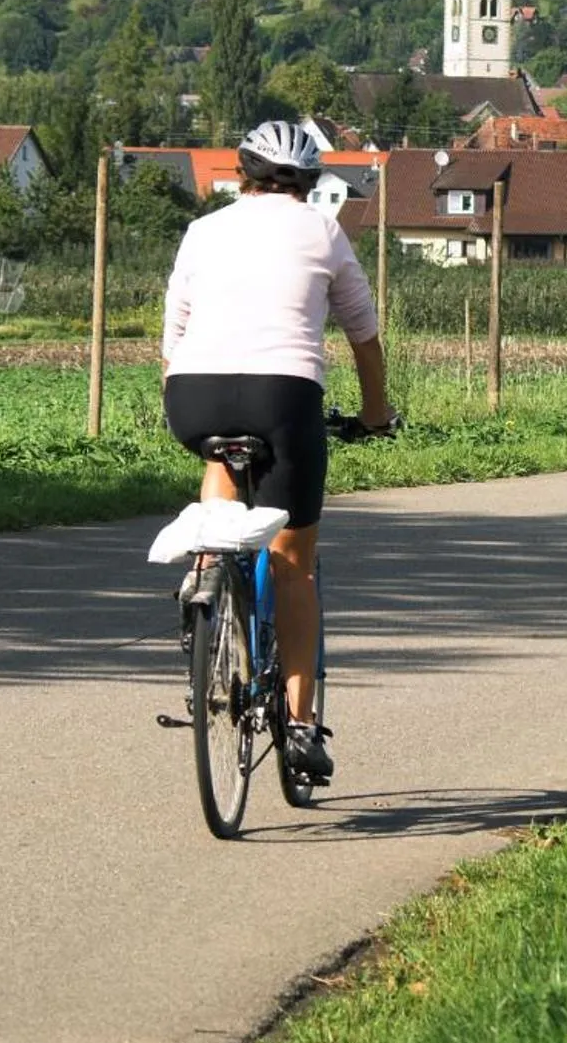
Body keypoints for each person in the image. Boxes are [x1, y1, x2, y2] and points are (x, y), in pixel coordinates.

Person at [161, 121, 396, 781]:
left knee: (221, 461)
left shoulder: (202, 230)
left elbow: (173, 333)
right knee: (294, 563)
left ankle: (207, 567)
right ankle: (297, 726)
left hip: (192, 394)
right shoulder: (321, 230)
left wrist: (183, 407)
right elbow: (363, 335)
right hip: (283, 397)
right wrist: (374, 414)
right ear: (308, 183)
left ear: (242, 176)